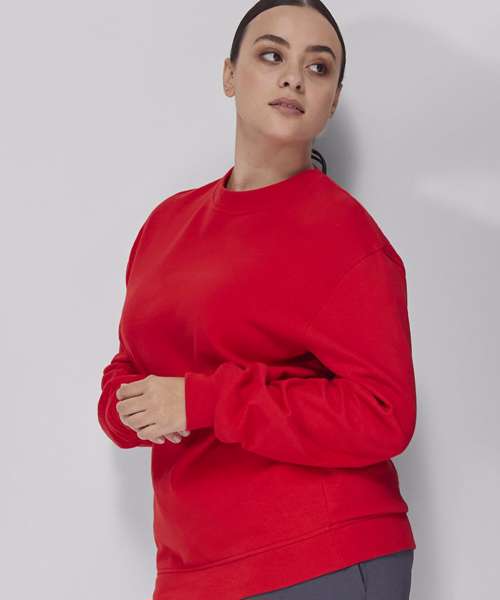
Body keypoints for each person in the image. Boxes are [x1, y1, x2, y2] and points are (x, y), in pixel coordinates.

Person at [97, 1, 417, 598]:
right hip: (192, 566)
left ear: (332, 101)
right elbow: (131, 364)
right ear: (229, 75)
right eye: (272, 56)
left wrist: (201, 402)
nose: (293, 78)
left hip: (319, 555)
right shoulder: (167, 224)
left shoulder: (344, 234)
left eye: (317, 68)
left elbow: (384, 414)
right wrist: (126, 410)